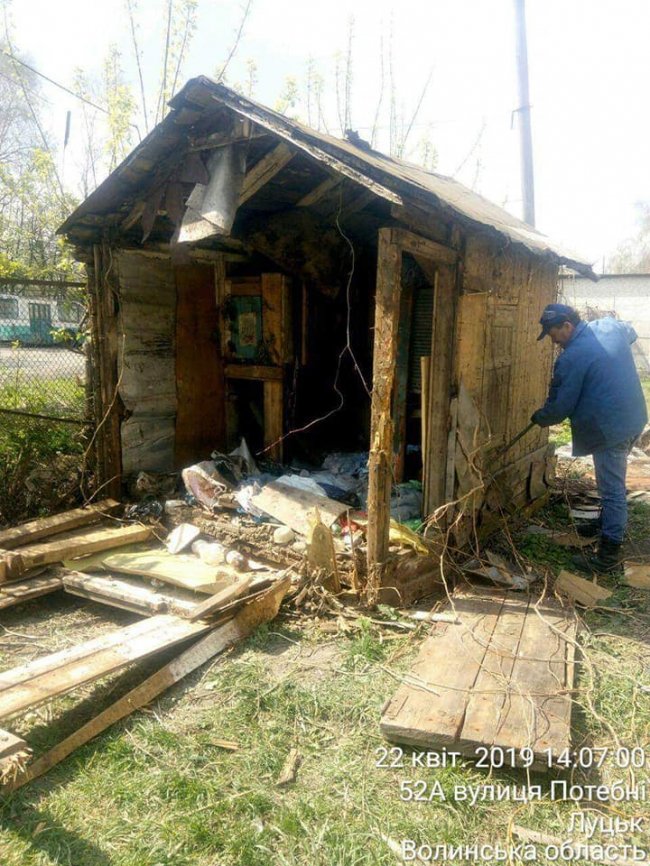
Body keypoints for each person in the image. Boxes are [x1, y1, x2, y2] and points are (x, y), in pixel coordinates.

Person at [531, 303, 648, 573]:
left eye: (554, 335)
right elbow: (630, 334)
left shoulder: (570, 359)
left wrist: (540, 417)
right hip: (634, 418)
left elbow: (560, 408)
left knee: (612, 490)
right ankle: (606, 524)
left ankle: (608, 554)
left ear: (567, 326)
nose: (554, 341)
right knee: (612, 482)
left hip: (610, 430)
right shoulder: (610, 326)